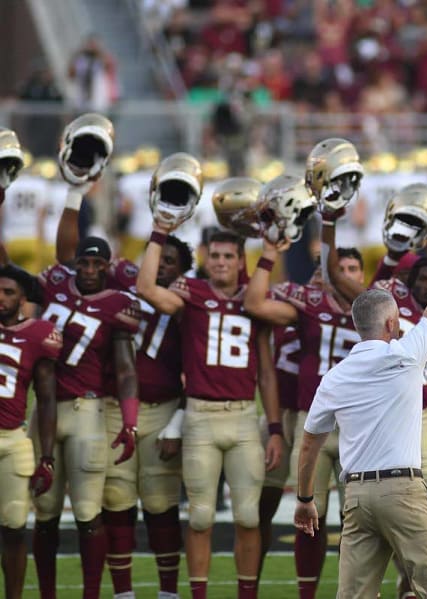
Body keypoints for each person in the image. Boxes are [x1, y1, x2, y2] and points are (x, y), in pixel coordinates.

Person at [294, 198, 427, 598]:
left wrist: (306, 499)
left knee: (354, 595)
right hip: (402, 490)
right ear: (393, 323)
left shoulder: (335, 377)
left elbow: (309, 444)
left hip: (356, 495)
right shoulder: (406, 355)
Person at [56, 193, 192, 599]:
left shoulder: (190, 303)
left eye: (172, 261)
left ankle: (167, 592)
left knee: (161, 506)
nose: (162, 264)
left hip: (164, 409)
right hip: (115, 408)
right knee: (116, 502)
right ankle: (123, 594)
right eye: (159, 257)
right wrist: (74, 191)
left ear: (185, 272)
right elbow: (68, 256)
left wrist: (178, 423)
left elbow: (202, 373)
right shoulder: (125, 279)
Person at [137, 228, 283, 599]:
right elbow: (147, 289)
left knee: (248, 517)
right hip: (200, 415)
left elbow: (266, 372)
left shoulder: (255, 300)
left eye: (228, 256)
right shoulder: (193, 293)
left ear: (240, 261)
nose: (220, 263)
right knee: (200, 516)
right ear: (206, 258)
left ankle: (246, 594)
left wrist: (276, 427)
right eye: (214, 256)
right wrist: (158, 232)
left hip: (243, 416)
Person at [244, 241, 362, 599]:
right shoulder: (301, 305)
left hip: (346, 424)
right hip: (292, 416)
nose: (339, 277)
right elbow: (256, 303)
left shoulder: (370, 312)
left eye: (351, 270)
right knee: (269, 506)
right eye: (328, 270)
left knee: (353, 519)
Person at [32, 236, 141, 599]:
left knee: (87, 511)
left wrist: (129, 421)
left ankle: (91, 594)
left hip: (87, 410)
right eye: (84, 264)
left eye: (98, 265)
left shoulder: (117, 305)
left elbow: (126, 370)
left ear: (108, 268)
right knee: (43, 513)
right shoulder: (53, 285)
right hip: (43, 411)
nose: (91, 271)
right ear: (74, 265)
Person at [0, 265, 62, 599]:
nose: (1, 298)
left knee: (13, 528)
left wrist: (47, 457)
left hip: (12, 439)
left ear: (24, 299)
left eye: (9, 292)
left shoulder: (38, 334)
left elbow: (48, 399)